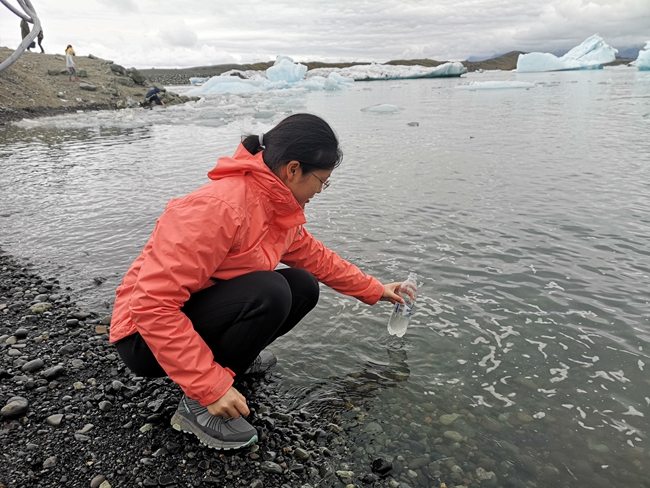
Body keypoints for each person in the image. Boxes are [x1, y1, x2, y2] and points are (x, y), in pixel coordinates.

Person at [109, 113, 410, 450]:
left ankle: (232, 362)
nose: (321, 191)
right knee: (272, 291)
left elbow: (318, 258)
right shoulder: (217, 207)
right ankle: (198, 405)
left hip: (186, 317)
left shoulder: (275, 208)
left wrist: (375, 289)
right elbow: (152, 305)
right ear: (293, 169)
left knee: (303, 285)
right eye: (322, 181)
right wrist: (210, 387)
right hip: (141, 339)